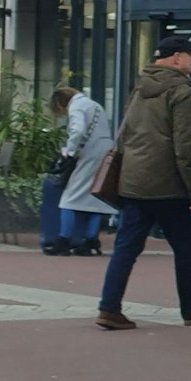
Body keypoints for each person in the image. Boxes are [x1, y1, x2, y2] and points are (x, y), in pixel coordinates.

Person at [94, 36, 191, 331]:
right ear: (177, 57)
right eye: (190, 57)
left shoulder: (139, 88)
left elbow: (128, 134)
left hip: (134, 181)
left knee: (126, 248)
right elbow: (187, 146)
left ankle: (109, 307)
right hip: (168, 185)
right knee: (186, 248)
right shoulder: (182, 92)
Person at [48, 87, 116, 256]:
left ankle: (64, 240)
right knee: (95, 197)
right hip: (104, 151)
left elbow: (77, 130)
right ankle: (91, 240)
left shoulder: (76, 107)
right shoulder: (95, 105)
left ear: (60, 103)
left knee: (69, 198)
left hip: (89, 153)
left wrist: (69, 152)